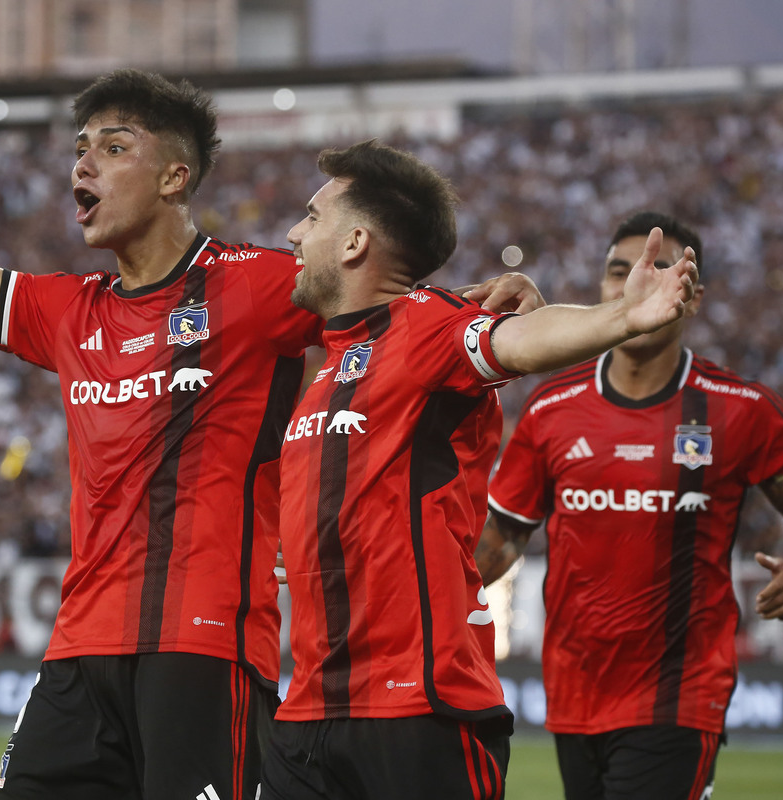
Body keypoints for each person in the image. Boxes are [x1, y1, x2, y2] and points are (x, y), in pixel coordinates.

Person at [0, 67, 540, 800]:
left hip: (204, 652)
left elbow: (387, 297)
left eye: (113, 147)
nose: (85, 165)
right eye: (80, 149)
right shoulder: (69, 310)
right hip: (78, 651)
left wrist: (488, 304)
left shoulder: (260, 283)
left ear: (175, 178)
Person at [263, 142, 698, 800]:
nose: (294, 232)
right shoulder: (330, 366)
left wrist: (620, 317)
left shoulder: (427, 326)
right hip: (309, 714)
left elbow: (518, 340)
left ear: (355, 241)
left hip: (419, 709)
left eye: (312, 216)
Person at [476, 211, 783, 800]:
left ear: (691, 298)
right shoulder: (551, 410)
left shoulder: (743, 409)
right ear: (603, 291)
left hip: (680, 695)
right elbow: (502, 539)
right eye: (619, 272)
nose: (637, 281)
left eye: (659, 269)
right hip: (572, 693)